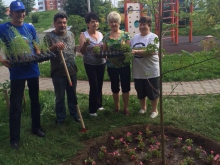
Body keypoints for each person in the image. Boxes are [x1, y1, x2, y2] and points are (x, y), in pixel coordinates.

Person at [0, 0, 45, 150]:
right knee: (16, 106)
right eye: (18, 11)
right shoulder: (4, 28)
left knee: (35, 101)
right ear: (11, 13)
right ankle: (14, 138)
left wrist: (40, 54)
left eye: (23, 11)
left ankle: (36, 127)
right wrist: (2, 60)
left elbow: (36, 47)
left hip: (33, 70)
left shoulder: (29, 28)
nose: (21, 14)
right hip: (17, 72)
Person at [44, 12, 80, 124]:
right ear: (54, 23)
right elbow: (45, 52)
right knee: (60, 97)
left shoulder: (71, 34)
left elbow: (74, 50)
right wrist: (54, 47)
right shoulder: (49, 36)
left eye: (64, 22)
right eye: (59, 22)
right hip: (58, 72)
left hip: (72, 70)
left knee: (72, 95)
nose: (62, 25)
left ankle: (74, 114)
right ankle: (61, 118)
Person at [130, 16, 160, 118]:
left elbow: (151, 51)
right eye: (141, 24)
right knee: (140, 91)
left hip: (151, 70)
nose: (142, 27)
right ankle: (143, 108)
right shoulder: (134, 38)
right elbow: (129, 50)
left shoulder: (153, 37)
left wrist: (136, 51)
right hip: (138, 71)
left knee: (152, 91)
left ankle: (154, 110)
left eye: (144, 24)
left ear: (149, 26)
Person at [103, 11, 131, 115]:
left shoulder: (125, 35)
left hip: (124, 65)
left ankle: (125, 108)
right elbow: (104, 51)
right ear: (109, 23)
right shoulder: (106, 37)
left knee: (126, 87)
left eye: (115, 21)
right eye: (111, 22)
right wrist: (106, 55)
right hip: (112, 66)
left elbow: (128, 50)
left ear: (119, 22)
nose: (114, 24)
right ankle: (117, 107)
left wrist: (125, 53)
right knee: (114, 87)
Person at [79, 12, 106, 117]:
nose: (95, 23)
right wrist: (85, 44)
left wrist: (105, 54)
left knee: (99, 84)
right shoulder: (83, 35)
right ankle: (92, 109)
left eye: (96, 21)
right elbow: (82, 51)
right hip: (90, 64)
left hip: (101, 62)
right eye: (92, 22)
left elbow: (103, 48)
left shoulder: (100, 34)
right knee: (94, 85)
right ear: (88, 24)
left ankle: (99, 104)